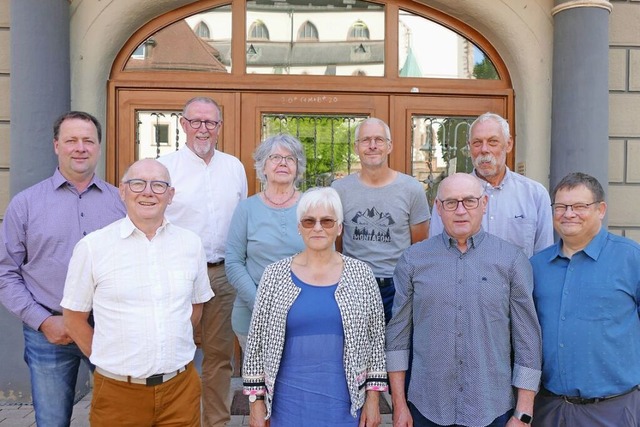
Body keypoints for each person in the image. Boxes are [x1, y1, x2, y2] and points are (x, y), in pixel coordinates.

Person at [61, 158, 214, 426]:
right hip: (119, 393)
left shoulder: (191, 244)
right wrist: (109, 358)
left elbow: (195, 307)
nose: (148, 192)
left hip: (180, 389)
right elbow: (73, 318)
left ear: (170, 195)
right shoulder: (93, 247)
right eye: (138, 183)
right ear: (122, 191)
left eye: (158, 185)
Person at [0, 111, 125, 427]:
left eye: (88, 140)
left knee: (120, 416)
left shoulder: (120, 203)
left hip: (110, 328)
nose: (80, 148)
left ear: (98, 146)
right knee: (52, 421)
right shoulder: (26, 204)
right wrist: (42, 321)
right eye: (71, 140)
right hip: (49, 328)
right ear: (57, 146)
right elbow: (6, 272)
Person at [386, 172, 542, 427]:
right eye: (451, 202)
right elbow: (398, 336)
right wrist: (399, 405)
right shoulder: (413, 260)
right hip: (426, 407)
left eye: (469, 201)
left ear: (484, 204)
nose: (460, 210)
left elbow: (528, 339)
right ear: (438, 208)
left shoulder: (511, 260)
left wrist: (523, 413)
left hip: (492, 408)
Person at [243, 187, 387, 427]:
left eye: (327, 221)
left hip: (345, 403)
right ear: (299, 227)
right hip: (287, 402)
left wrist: (372, 400)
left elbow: (376, 343)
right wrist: (256, 402)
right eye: (309, 221)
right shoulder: (274, 275)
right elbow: (256, 342)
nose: (318, 228)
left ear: (339, 227)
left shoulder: (362, 275)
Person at [158, 96, 247, 426]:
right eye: (195, 121)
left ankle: (215, 422)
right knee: (174, 353)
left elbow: (240, 221)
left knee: (219, 358)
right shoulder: (166, 168)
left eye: (210, 122)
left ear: (220, 127)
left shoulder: (234, 167)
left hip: (223, 275)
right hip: (177, 276)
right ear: (183, 124)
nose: (203, 128)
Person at [530, 172, 640, 427]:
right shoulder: (536, 266)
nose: (569, 214)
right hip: (550, 409)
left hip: (615, 410)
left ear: (600, 210)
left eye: (580, 206)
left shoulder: (630, 258)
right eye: (561, 207)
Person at [332, 117, 430, 324]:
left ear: (389, 146)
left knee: (398, 352)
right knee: (357, 352)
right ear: (356, 147)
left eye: (379, 140)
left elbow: (419, 246)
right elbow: (336, 243)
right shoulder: (339, 190)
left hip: (398, 286)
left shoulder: (411, 189)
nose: (373, 146)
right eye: (366, 140)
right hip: (354, 285)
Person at [429, 112, 553, 258]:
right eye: (477, 143)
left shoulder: (535, 194)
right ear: (469, 147)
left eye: (492, 141)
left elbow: (544, 257)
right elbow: (436, 253)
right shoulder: (449, 194)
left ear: (508, 144)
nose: (484, 149)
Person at [225, 134, 306, 350]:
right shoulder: (246, 209)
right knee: (258, 382)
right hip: (252, 314)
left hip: (303, 313)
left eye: (290, 158)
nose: (282, 163)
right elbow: (233, 262)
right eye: (275, 157)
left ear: (298, 168)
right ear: (263, 166)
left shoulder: (311, 206)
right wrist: (261, 305)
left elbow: (327, 260)